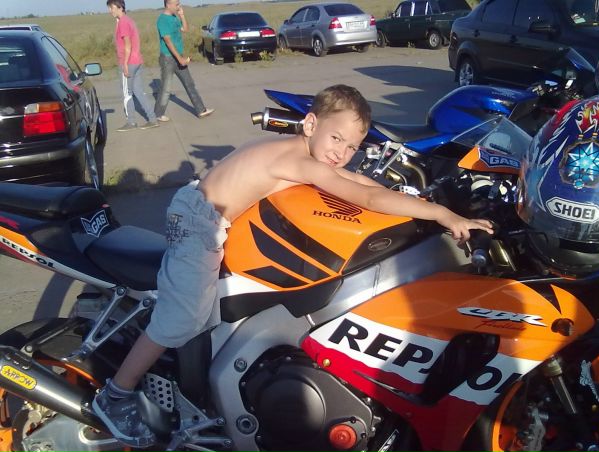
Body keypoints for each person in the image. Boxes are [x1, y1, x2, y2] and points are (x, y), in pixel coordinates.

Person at [92, 84, 492, 447]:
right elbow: (366, 199)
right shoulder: (299, 161)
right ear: (311, 124)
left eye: (352, 146)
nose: (342, 152)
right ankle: (117, 394)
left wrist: (420, 202)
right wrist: (442, 215)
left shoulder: (304, 151)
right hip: (199, 221)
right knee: (182, 316)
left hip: (207, 209)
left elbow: (363, 185)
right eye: (336, 138)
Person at [154, 0, 214, 122]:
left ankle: (201, 110)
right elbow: (168, 42)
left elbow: (185, 29)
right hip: (168, 58)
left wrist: (182, 15)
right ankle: (158, 114)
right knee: (166, 88)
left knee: (189, 83)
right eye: (176, 4)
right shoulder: (162, 20)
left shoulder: (174, 17)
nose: (178, 6)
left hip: (179, 56)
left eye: (179, 3)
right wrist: (180, 59)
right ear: (168, 4)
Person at [107, 0, 159, 132]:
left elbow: (127, 44)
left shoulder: (123, 22)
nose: (110, 10)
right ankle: (152, 119)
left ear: (120, 7)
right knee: (139, 92)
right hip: (137, 61)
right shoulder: (127, 20)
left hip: (128, 63)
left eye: (112, 7)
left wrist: (124, 64)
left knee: (127, 94)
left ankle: (131, 122)